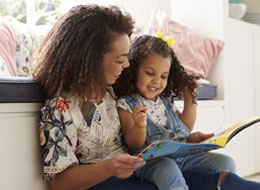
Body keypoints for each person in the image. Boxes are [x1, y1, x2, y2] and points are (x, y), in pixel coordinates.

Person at [32, 4, 158, 190]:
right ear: (90, 59)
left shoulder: (113, 94)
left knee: (210, 176)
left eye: (126, 57)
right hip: (103, 184)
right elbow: (60, 183)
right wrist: (109, 167)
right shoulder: (59, 109)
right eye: (119, 59)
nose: (126, 64)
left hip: (134, 176)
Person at [113, 34, 260, 190]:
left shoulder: (165, 101)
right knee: (169, 169)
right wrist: (139, 125)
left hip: (181, 157)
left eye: (164, 76)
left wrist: (191, 98)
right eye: (149, 73)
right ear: (134, 69)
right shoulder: (127, 103)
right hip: (150, 163)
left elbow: (184, 127)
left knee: (226, 162)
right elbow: (133, 143)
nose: (157, 81)